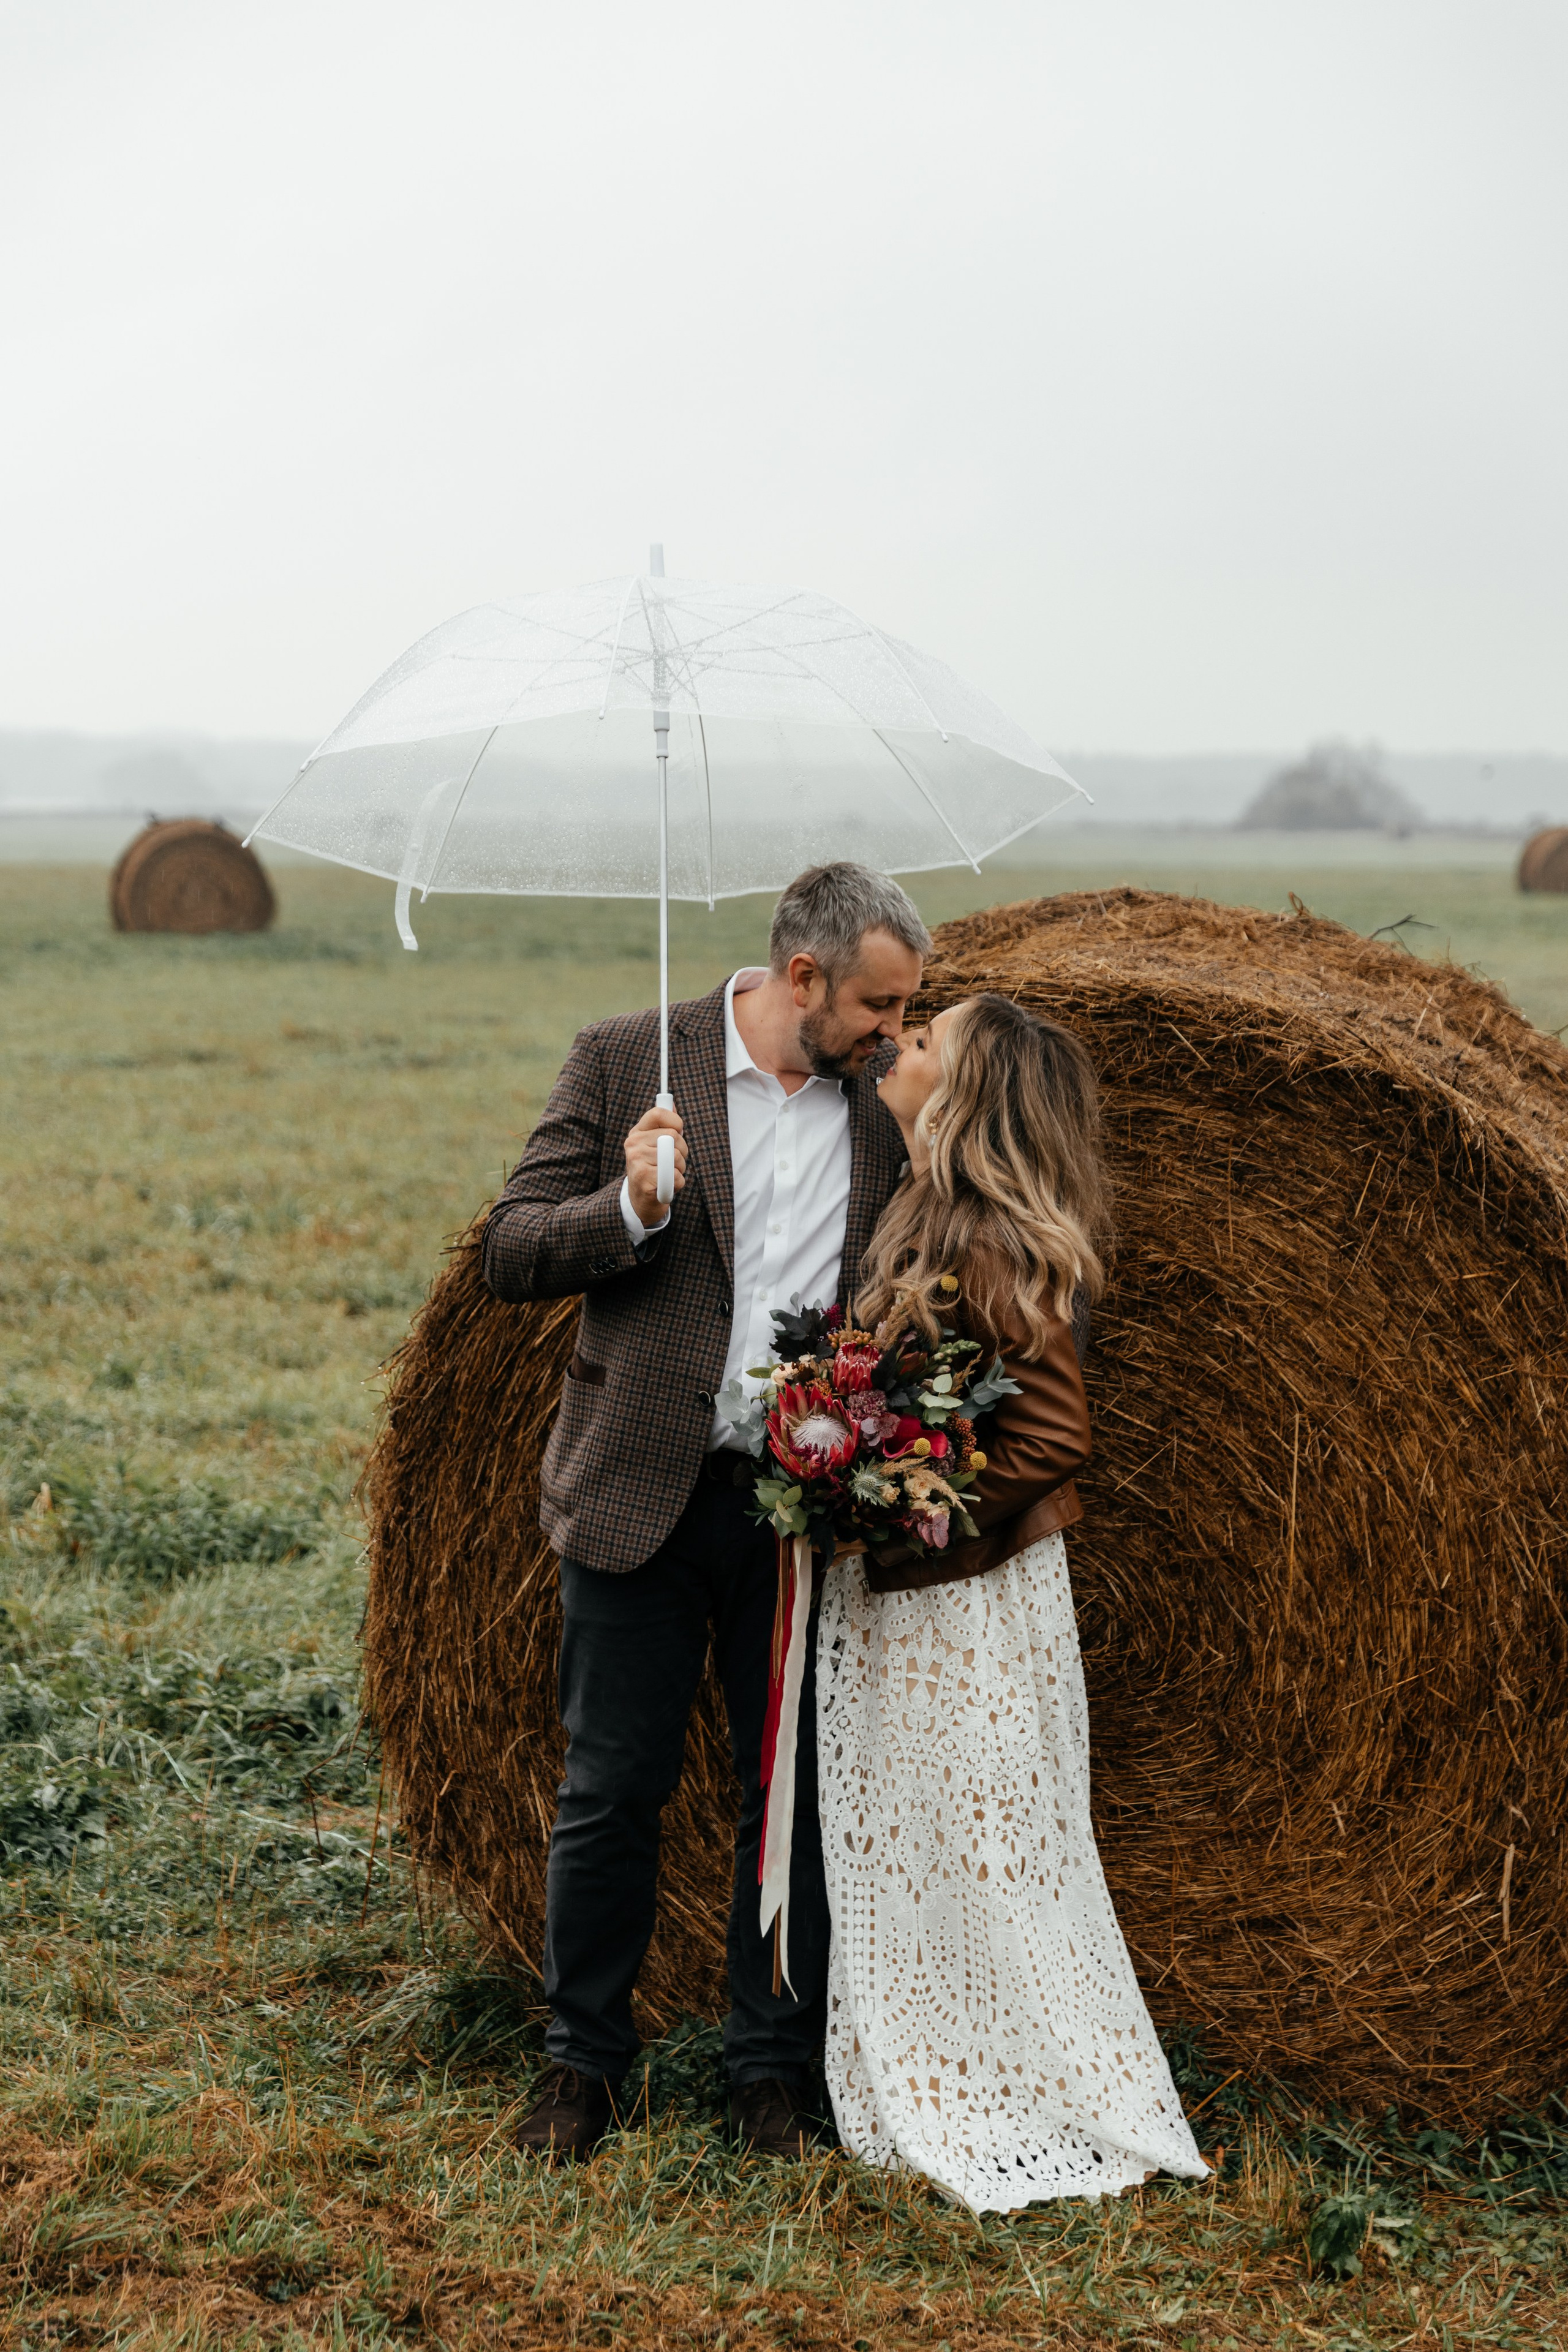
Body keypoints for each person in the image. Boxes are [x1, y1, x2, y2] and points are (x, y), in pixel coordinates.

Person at [481, 862, 928, 2160]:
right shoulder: (629, 1062)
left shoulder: (880, 1108)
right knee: (610, 1788)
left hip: (793, 1506)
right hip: (633, 1487)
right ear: (802, 979)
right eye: (878, 1002)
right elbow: (509, 1250)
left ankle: (767, 2077)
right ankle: (581, 2066)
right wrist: (627, 1206)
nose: (896, 1027)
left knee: (784, 1796)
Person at [816, 993, 1208, 2209]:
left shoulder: (981, 1234)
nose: (897, 1046)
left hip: (964, 1596)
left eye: (923, 1040)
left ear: (964, 1092)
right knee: (922, 1834)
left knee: (977, 1837)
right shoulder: (929, 1214)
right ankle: (937, 2055)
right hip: (933, 1582)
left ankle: (994, 2078)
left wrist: (895, 1502)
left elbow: (1048, 1433)